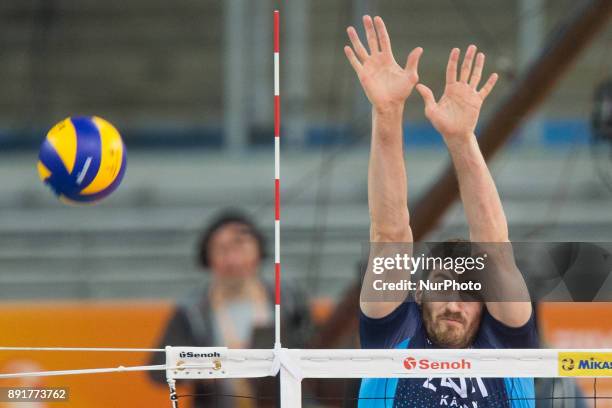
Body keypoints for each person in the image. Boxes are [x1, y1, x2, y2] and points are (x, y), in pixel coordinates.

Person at [344, 15, 537, 407]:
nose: (453, 303)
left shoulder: (507, 344)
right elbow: (390, 234)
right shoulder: (395, 333)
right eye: (444, 286)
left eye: (469, 292)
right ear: (418, 292)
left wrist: (462, 139)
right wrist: (387, 113)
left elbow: (495, 248)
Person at [148, 210, 311, 408]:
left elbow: (313, 350)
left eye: (241, 247)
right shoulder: (192, 311)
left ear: (258, 250)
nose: (233, 260)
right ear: (208, 257)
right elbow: (157, 369)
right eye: (222, 250)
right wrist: (204, 366)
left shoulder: (288, 297)